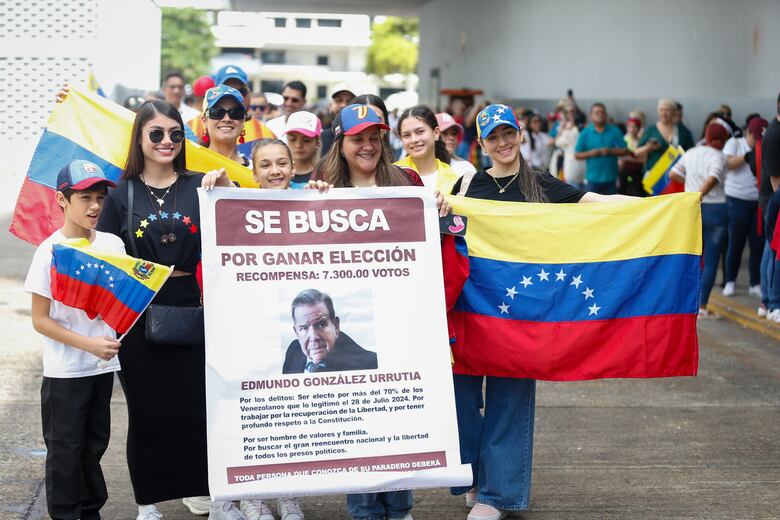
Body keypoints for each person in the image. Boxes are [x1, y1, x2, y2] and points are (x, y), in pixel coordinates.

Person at [448, 104, 635, 520]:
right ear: (480, 144)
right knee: (460, 398)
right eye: (493, 137)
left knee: (510, 399)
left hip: (519, 313)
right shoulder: (466, 187)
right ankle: (475, 476)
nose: (503, 143)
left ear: (520, 134)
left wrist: (649, 208)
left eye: (508, 133)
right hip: (471, 309)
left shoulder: (540, 182)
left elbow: (593, 202)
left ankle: (497, 495)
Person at [94, 100, 245, 520]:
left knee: (196, 406)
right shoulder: (120, 195)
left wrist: (227, 192)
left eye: (175, 134)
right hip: (138, 311)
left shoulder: (202, 185)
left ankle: (201, 489)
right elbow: (104, 257)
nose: (166, 142)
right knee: (146, 411)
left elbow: (236, 229)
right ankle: (147, 501)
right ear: (139, 138)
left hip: (191, 307)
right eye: (156, 134)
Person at [312, 103, 452, 520]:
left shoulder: (406, 180)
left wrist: (440, 206)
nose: (368, 145)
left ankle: (400, 507)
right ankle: (364, 511)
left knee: (398, 417)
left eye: (375, 136)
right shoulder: (325, 184)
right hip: (352, 322)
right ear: (341, 142)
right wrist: (310, 204)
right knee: (359, 421)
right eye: (358, 138)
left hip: (401, 317)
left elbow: (429, 241)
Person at [25, 160, 122, 520]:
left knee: (94, 446)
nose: (95, 206)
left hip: (102, 367)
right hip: (66, 371)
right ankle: (66, 515)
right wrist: (89, 345)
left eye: (99, 197)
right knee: (65, 450)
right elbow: (40, 320)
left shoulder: (112, 244)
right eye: (85, 198)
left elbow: (121, 301)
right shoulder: (49, 251)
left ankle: (90, 511)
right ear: (62, 200)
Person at [669, 123, 730, 318]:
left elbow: (673, 173)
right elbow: (713, 179)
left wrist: (691, 191)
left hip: (691, 209)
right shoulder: (719, 157)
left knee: (692, 256)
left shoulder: (691, 153)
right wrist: (699, 194)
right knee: (711, 260)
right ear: (721, 140)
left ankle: (686, 303)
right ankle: (702, 306)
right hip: (716, 209)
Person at [722, 117, 768, 298]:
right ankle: (730, 280)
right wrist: (748, 156)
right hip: (736, 199)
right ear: (748, 132)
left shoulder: (765, 145)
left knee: (757, 244)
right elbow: (728, 164)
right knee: (736, 242)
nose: (758, 142)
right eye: (756, 138)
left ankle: (754, 282)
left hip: (757, 200)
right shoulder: (735, 143)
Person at [282, 289, 378, 373]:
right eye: (303, 328)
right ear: (296, 332)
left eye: (321, 325)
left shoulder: (369, 364)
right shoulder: (294, 351)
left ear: (335, 326)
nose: (314, 337)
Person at [395, 105, 461, 193]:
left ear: (436, 133)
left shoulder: (454, 178)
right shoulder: (393, 174)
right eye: (407, 135)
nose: (414, 140)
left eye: (420, 132)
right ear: (401, 139)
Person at [633, 97, 695, 178]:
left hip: (675, 175)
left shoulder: (683, 131)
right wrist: (648, 148)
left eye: (667, 110)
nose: (664, 113)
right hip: (654, 176)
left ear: (673, 112)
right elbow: (636, 152)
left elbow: (691, 153)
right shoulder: (651, 130)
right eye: (661, 110)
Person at [574, 103, 628, 194]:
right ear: (591, 116)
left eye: (603, 112)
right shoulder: (585, 133)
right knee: (591, 207)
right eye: (597, 112)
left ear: (606, 115)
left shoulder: (615, 131)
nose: (600, 115)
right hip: (592, 180)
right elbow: (577, 155)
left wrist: (611, 151)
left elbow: (625, 150)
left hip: (611, 180)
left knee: (611, 207)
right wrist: (591, 153)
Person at [760, 93, 780, 321]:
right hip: (774, 199)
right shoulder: (774, 135)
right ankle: (770, 302)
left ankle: (769, 301)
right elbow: (776, 180)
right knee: (772, 249)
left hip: (774, 197)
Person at [283, 111, 322, 188]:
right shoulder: (277, 174)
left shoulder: (325, 174)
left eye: (306, 140)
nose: (298, 145)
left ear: (317, 143)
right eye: (292, 139)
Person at [320, 82, 356, 157]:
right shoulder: (319, 139)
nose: (343, 105)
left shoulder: (362, 139)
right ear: (330, 106)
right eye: (338, 100)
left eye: (349, 101)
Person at [436, 112, 478, 177]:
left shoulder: (465, 167)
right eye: (444, 133)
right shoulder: (420, 166)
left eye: (454, 133)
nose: (451, 137)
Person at [554, 105, 586, 188]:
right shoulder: (586, 131)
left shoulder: (569, 133)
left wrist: (562, 128)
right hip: (585, 169)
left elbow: (557, 142)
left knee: (575, 197)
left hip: (572, 169)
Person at [618, 117, 646, 196]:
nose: (632, 129)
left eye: (635, 127)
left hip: (638, 172)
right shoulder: (624, 140)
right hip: (625, 171)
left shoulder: (641, 141)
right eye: (630, 126)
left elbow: (644, 159)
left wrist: (630, 158)